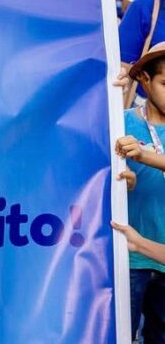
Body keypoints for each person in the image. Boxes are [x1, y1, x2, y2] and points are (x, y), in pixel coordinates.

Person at [111, 43, 165, 344]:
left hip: (160, 254)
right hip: (128, 257)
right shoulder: (120, 122)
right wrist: (123, 180)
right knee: (119, 333)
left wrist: (144, 157)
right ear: (143, 78)